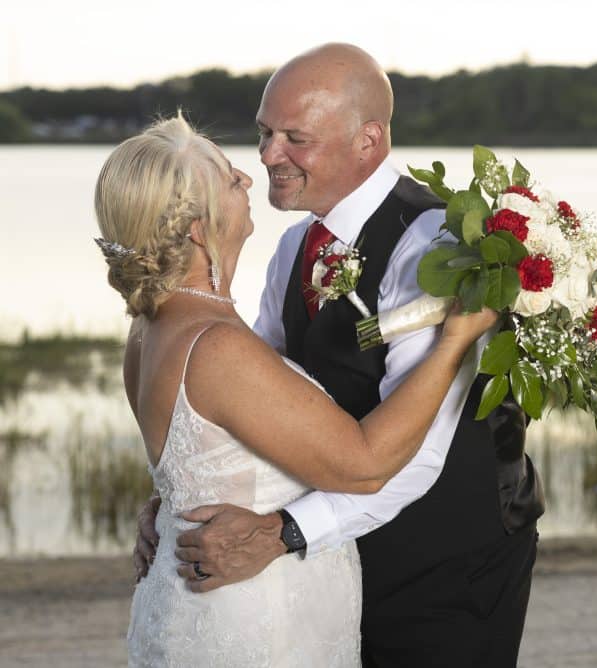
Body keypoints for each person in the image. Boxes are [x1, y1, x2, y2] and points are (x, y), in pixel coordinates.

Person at [134, 43, 545, 666]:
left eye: (295, 137)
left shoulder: (436, 248)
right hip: (332, 555)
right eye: (265, 133)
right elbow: (248, 396)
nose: (269, 156)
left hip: (443, 560)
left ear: (368, 140)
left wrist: (284, 534)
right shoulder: (296, 244)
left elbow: (421, 454)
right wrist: (182, 493)